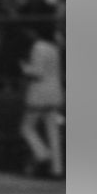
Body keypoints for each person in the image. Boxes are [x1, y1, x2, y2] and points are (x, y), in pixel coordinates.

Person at [18, 18, 64, 178]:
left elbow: (37, 72)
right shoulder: (54, 47)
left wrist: (24, 68)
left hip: (39, 94)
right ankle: (57, 169)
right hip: (55, 93)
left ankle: (42, 153)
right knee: (53, 132)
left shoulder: (38, 47)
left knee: (26, 128)